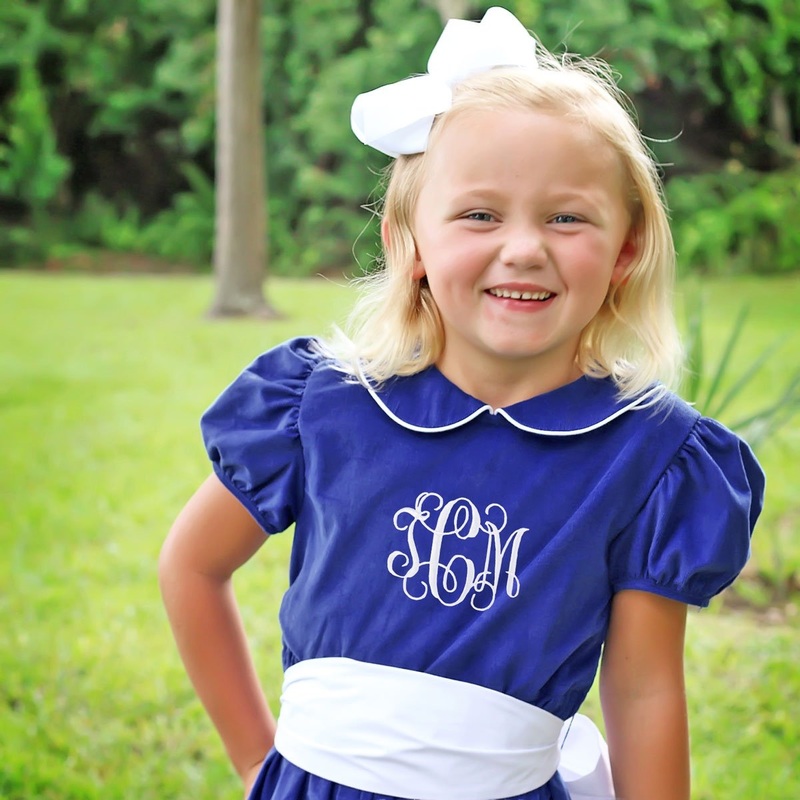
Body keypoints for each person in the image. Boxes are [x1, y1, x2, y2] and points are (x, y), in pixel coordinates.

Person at [159, 7, 765, 800]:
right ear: (407, 242)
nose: (524, 247)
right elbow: (192, 567)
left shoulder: (650, 457)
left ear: (625, 248)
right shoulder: (321, 404)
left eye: (566, 216)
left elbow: (645, 691)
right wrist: (253, 758)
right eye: (480, 214)